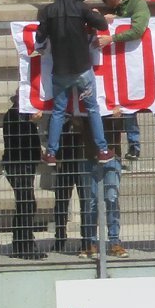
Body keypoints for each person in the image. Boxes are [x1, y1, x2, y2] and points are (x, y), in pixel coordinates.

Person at [37, 0, 107, 163]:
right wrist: (93, 16)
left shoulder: (49, 10)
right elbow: (102, 24)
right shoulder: (81, 8)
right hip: (82, 68)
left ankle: (51, 153)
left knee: (58, 111)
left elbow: (39, 38)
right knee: (92, 109)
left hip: (60, 70)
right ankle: (102, 150)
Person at [62, 109, 125, 258]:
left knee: (111, 198)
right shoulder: (85, 101)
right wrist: (76, 119)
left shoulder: (113, 99)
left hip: (112, 156)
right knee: (90, 201)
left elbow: (124, 125)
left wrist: (117, 116)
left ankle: (114, 242)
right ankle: (90, 243)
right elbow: (76, 128)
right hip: (88, 156)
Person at [0, 93, 43, 260]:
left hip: (26, 165)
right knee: (26, 203)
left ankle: (23, 242)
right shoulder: (13, 115)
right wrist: (30, 121)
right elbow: (19, 138)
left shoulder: (23, 117)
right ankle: (24, 244)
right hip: (17, 166)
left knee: (26, 204)